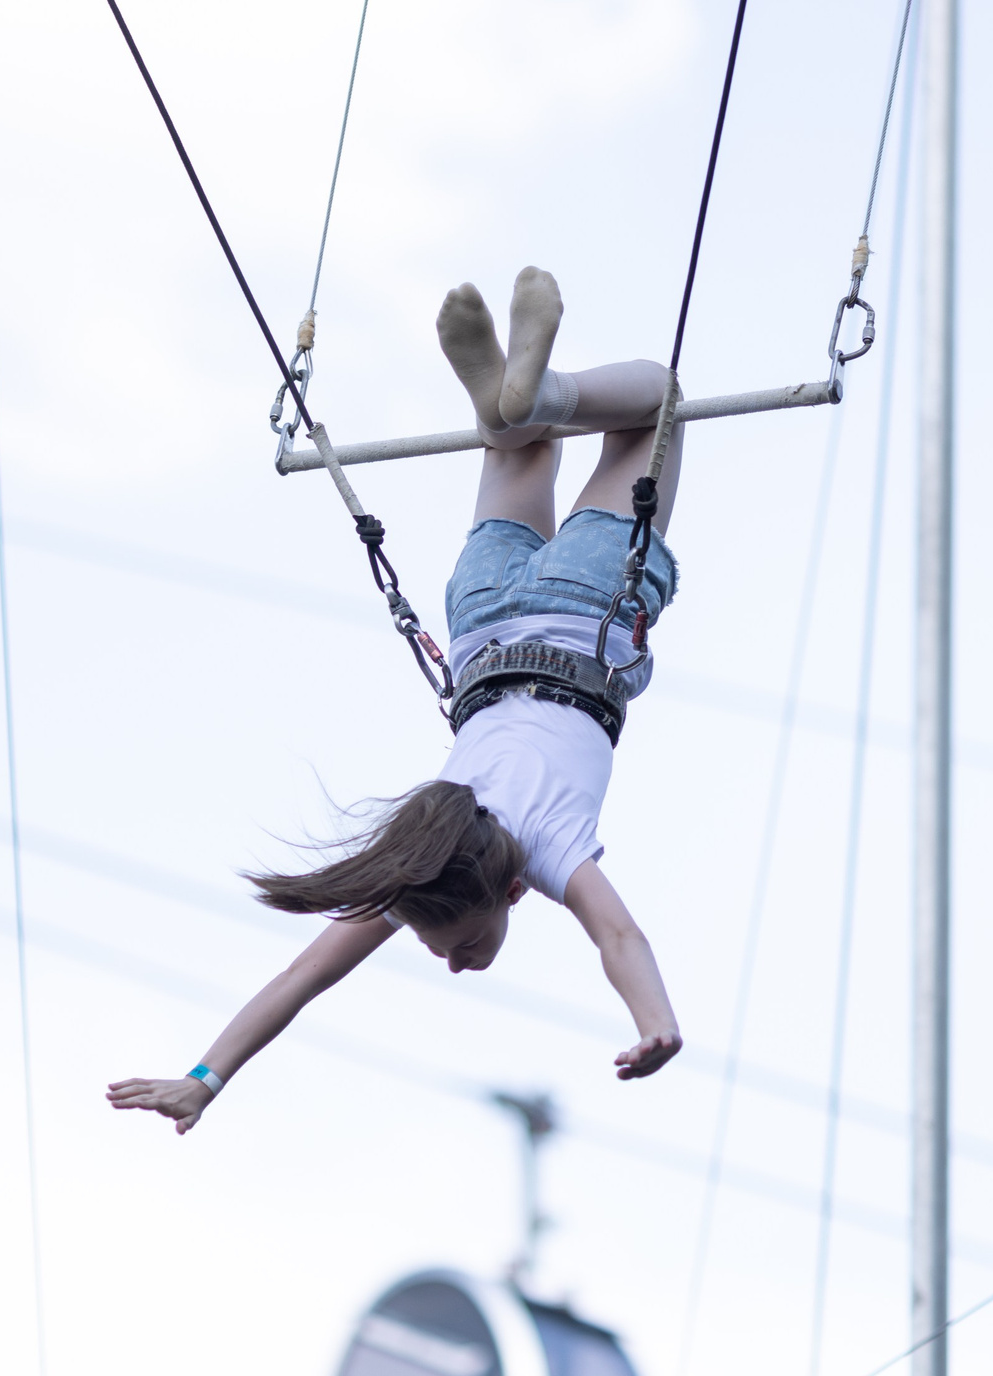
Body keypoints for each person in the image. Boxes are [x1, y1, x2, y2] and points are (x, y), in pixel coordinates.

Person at [109, 269, 686, 1134]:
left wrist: (657, 1025)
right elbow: (302, 978)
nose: (446, 961)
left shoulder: (544, 845)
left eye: (447, 945)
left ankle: (547, 390)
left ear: (507, 889)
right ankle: (520, 399)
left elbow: (620, 941)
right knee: (517, 442)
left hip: (583, 606)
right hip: (482, 620)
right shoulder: (425, 850)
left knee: (660, 403)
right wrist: (205, 1076)